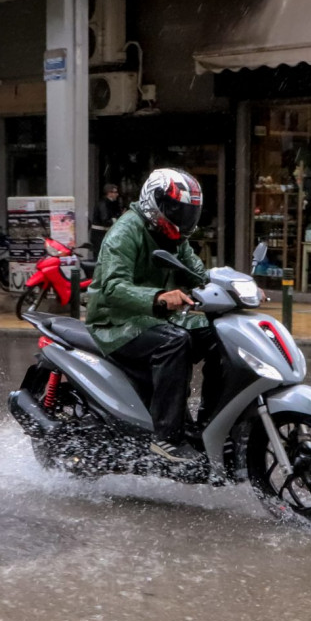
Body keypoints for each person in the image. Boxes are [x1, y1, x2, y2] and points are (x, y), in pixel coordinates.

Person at [86, 168, 222, 464]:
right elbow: (112, 287)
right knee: (174, 342)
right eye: (176, 209)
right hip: (115, 321)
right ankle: (167, 440)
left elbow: (198, 274)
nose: (182, 217)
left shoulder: (172, 234)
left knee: (218, 335)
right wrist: (158, 297)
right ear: (155, 201)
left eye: (187, 211)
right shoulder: (125, 231)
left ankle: (210, 424)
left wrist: (234, 288)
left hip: (152, 316)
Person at [90, 183, 122, 255]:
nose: (117, 194)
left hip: (101, 235)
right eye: (115, 192)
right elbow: (105, 220)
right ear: (109, 193)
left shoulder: (108, 203)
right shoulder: (104, 204)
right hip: (100, 236)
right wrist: (116, 219)